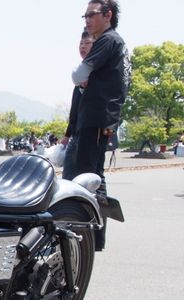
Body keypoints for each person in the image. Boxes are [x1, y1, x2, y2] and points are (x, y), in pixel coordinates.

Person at [69, 0, 130, 250]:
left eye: (91, 15)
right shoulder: (117, 43)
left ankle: (83, 235)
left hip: (96, 116)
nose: (87, 20)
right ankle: (95, 238)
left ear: (108, 15)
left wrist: (85, 78)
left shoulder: (108, 39)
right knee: (95, 176)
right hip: (102, 117)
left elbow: (78, 75)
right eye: (84, 16)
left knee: (85, 177)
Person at [61, 30, 95, 180]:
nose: (83, 46)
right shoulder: (82, 73)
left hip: (87, 130)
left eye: (87, 43)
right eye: (81, 43)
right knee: (74, 173)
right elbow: (74, 109)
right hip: (77, 131)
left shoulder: (96, 72)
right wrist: (67, 134)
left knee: (76, 174)